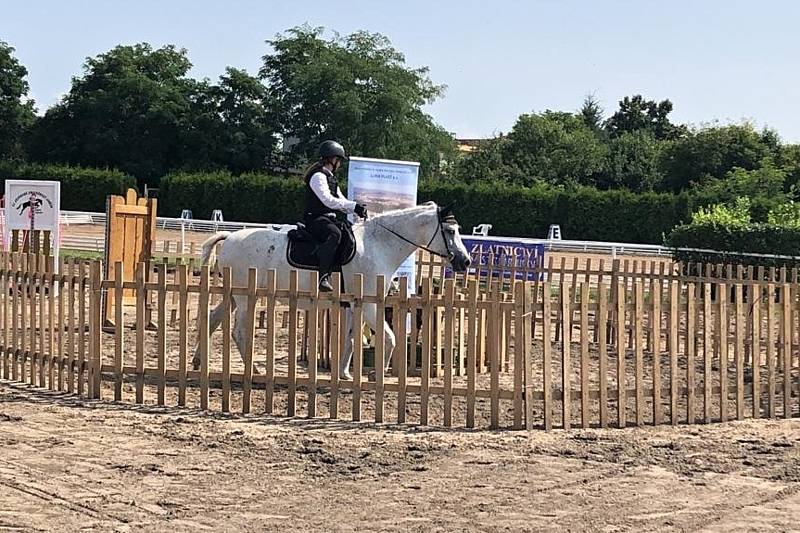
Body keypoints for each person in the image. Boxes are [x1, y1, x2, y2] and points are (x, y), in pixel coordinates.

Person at [303, 140, 368, 292]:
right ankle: (323, 276)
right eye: (339, 160)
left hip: (327, 218)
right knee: (335, 233)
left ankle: (341, 274)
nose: (339, 164)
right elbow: (328, 200)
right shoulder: (318, 176)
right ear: (333, 159)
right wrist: (353, 206)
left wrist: (357, 209)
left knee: (348, 232)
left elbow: (341, 201)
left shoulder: (330, 177)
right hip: (315, 219)